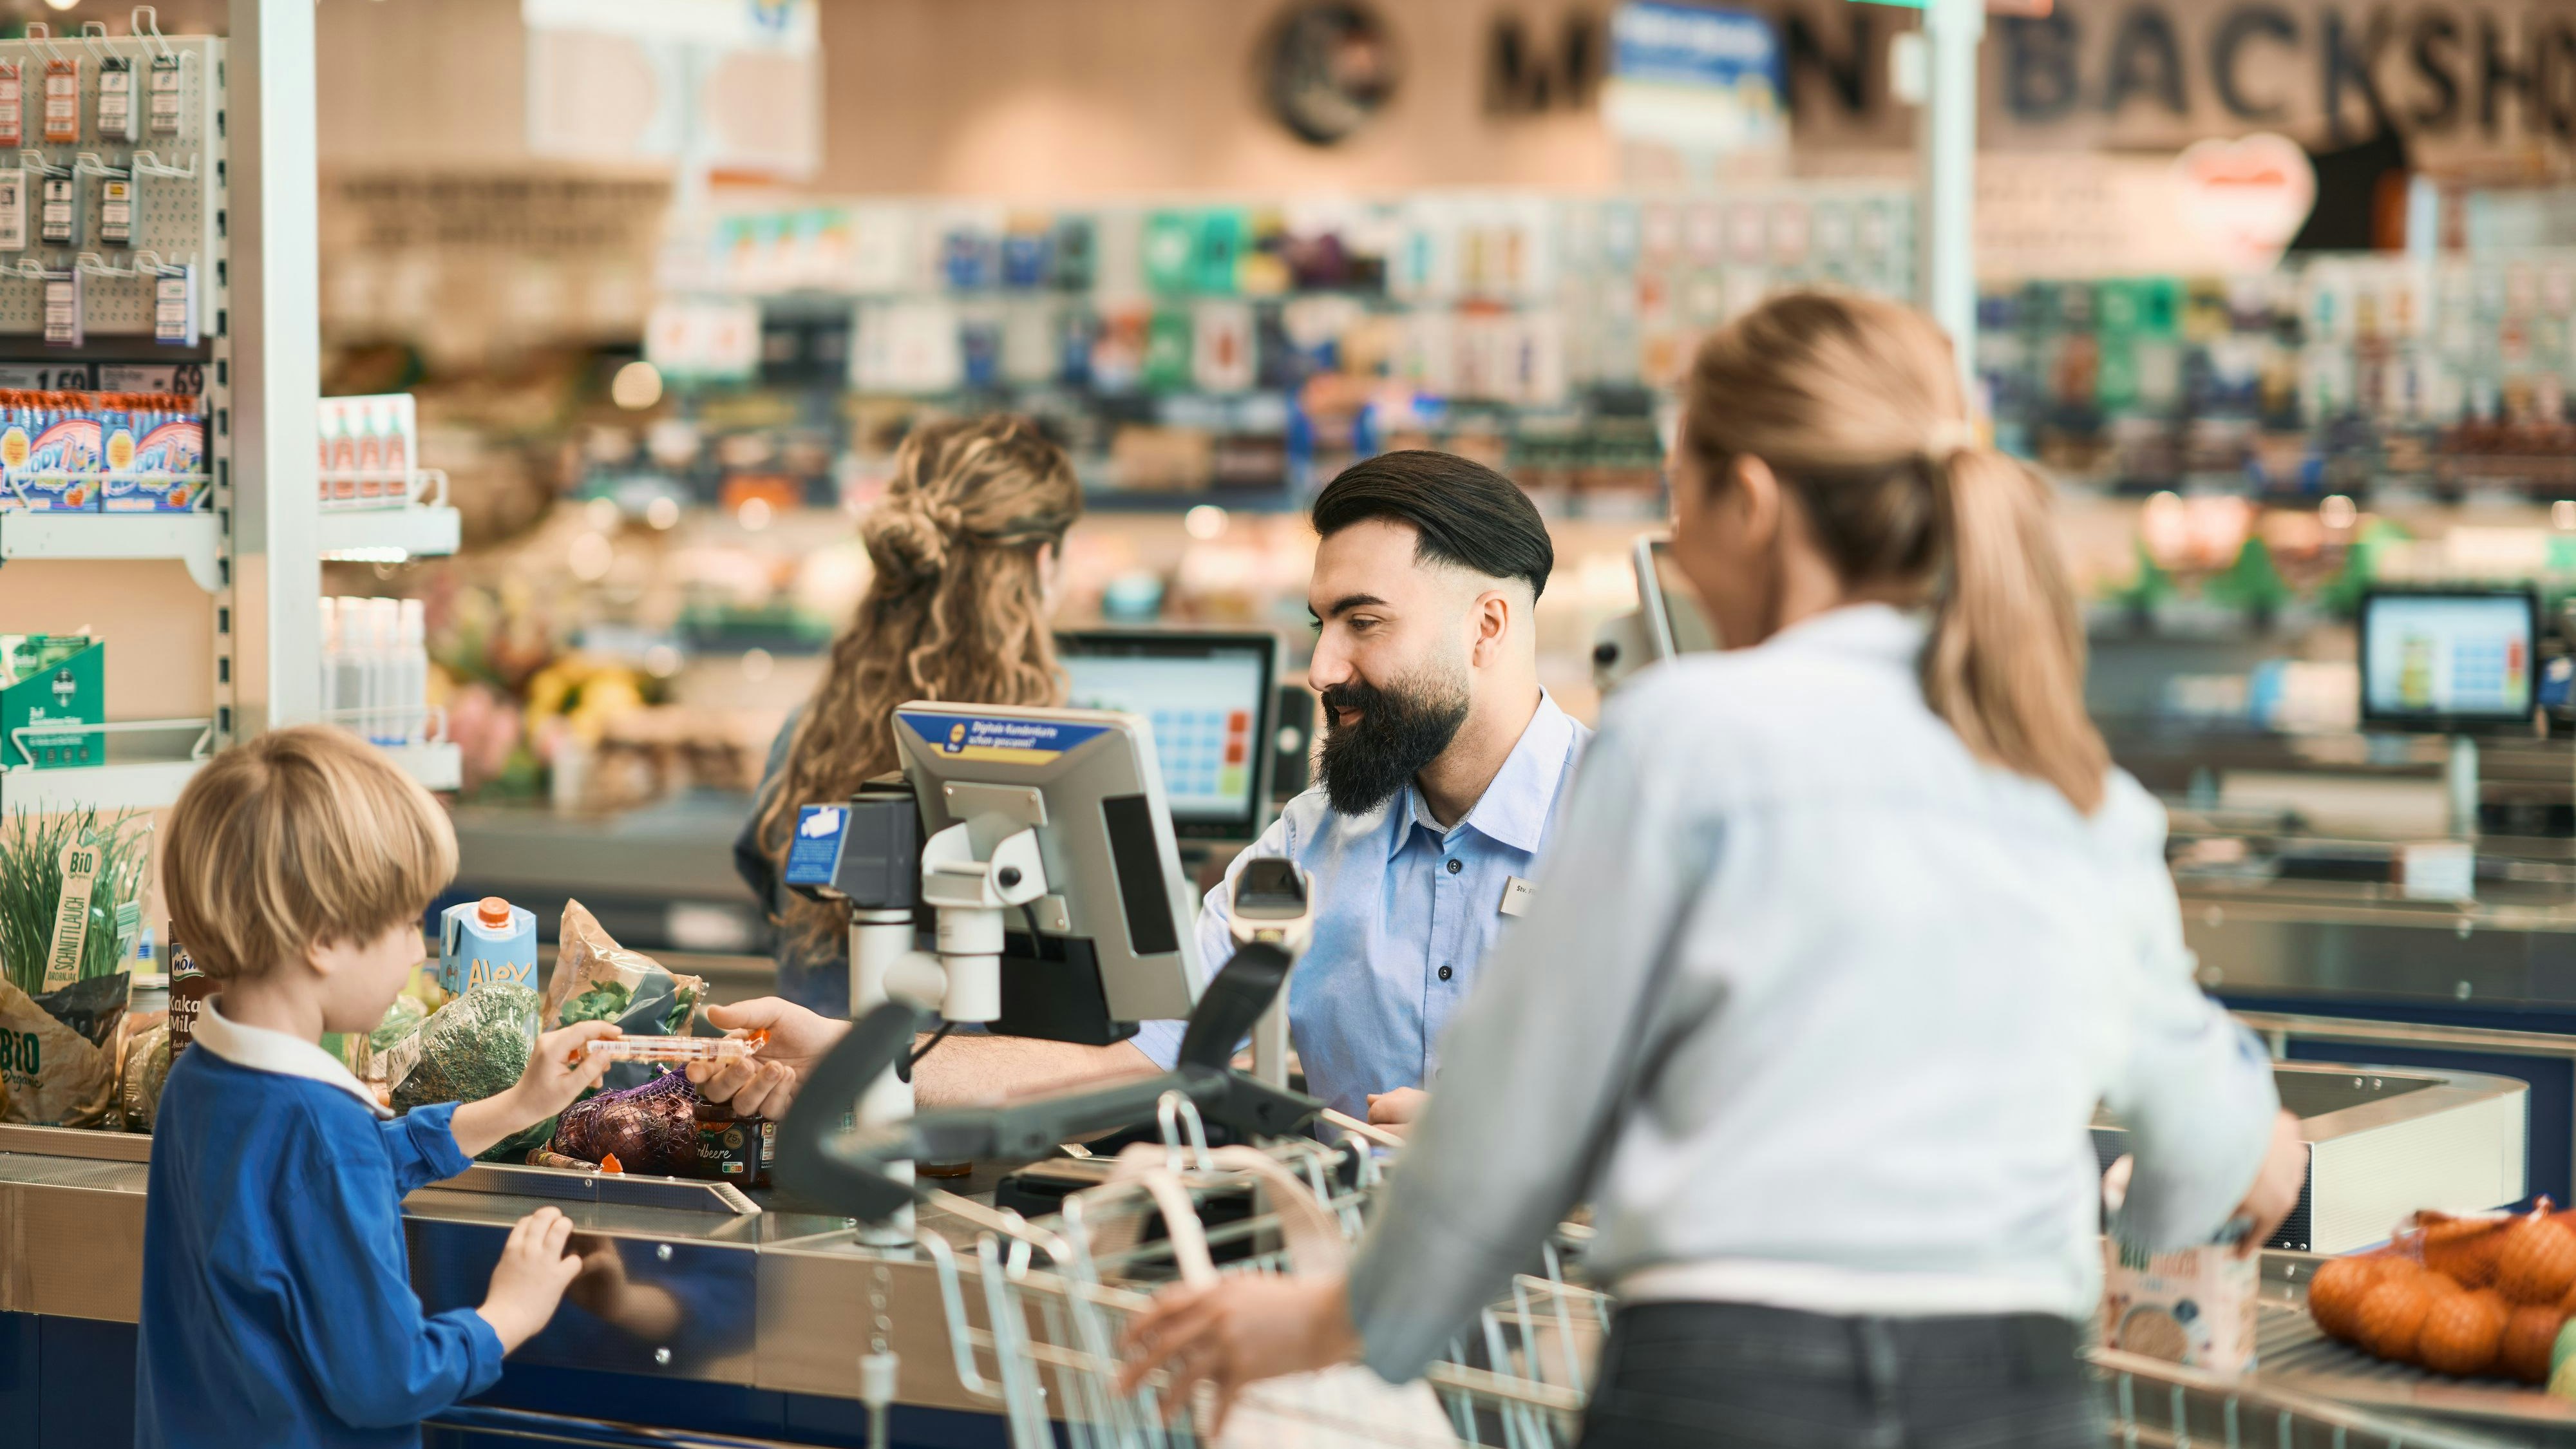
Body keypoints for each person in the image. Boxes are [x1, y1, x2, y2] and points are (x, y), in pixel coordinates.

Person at [1118, 292, 2309, 1448]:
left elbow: (1511, 1125)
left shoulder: (1686, 736)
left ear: (1751, 498)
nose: (1675, 549)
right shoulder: (2059, 768)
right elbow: (2214, 1146)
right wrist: (2155, 1224)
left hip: (1733, 1385)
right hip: (2011, 1390)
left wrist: (1340, 1325)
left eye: (1681, 498)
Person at [692, 450, 1589, 1129]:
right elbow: (1134, 1058)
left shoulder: (1634, 827)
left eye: (1364, 622)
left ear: (1488, 626)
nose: (1320, 666)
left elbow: (1715, 1114)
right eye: (1320, 624)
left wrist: (1512, 1145)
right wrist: (846, 1055)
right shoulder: (1309, 844)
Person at [137, 726, 623, 1449]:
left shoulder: (205, 1077)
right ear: (326, 940)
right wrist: (507, 1315)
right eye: (405, 923)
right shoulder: (323, 1133)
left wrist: (518, 1106)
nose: (419, 951)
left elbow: (312, 1179)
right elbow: (386, 1381)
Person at [735, 415, 1081, 1017]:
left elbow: (771, 891)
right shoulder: (1063, 755)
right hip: (975, 1100)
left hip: (811, 1094)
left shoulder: (807, 737)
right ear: (1043, 562)